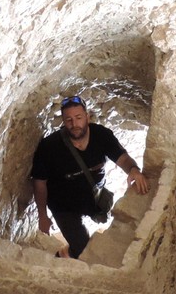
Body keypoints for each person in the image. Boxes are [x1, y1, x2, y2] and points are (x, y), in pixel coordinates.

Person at [30, 95, 150, 259]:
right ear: (63, 121)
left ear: (87, 116)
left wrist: (133, 170)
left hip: (92, 197)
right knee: (83, 249)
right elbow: (40, 183)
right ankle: (63, 255)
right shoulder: (49, 147)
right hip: (63, 205)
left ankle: (68, 252)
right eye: (69, 120)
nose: (74, 124)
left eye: (78, 117)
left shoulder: (101, 135)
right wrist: (42, 216)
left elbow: (122, 158)